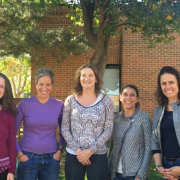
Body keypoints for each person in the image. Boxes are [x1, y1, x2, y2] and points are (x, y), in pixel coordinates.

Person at [61, 63, 114, 180]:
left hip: (98, 154)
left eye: (90, 75)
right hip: (74, 154)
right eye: (83, 75)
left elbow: (108, 130)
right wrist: (79, 152)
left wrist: (90, 151)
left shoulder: (106, 102)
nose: (87, 78)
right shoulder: (70, 100)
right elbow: (64, 128)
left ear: (96, 79)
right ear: (79, 79)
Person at [15, 68, 65, 180]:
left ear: (52, 85)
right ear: (36, 84)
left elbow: (63, 130)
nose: (44, 88)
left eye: (48, 84)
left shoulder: (59, 105)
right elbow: (12, 131)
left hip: (51, 159)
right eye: (41, 84)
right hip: (27, 157)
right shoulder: (24, 104)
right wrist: (19, 155)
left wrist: (60, 151)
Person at [108, 84, 152, 180]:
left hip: (135, 175)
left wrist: (141, 174)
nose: (128, 97)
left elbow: (149, 148)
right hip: (115, 174)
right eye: (125, 94)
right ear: (120, 97)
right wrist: (109, 169)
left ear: (137, 99)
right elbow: (111, 145)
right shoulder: (115, 119)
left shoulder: (144, 118)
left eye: (132, 95)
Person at [151, 66, 180, 180]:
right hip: (167, 168)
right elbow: (154, 141)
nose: (167, 87)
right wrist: (159, 167)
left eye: (171, 82)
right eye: (163, 83)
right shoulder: (158, 110)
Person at [0, 73, 16, 180]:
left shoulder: (8, 114)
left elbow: (11, 143)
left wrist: (11, 171)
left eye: (1, 86)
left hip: (3, 169)